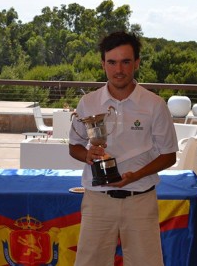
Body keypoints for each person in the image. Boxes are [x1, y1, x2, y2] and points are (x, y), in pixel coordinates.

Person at [69, 31, 178, 266]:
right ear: (103, 64)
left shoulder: (155, 105)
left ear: (136, 63)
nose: (119, 69)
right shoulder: (88, 103)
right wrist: (87, 155)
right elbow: (74, 146)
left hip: (140, 198)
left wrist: (135, 176)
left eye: (126, 62)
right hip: (97, 200)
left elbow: (169, 155)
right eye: (112, 62)